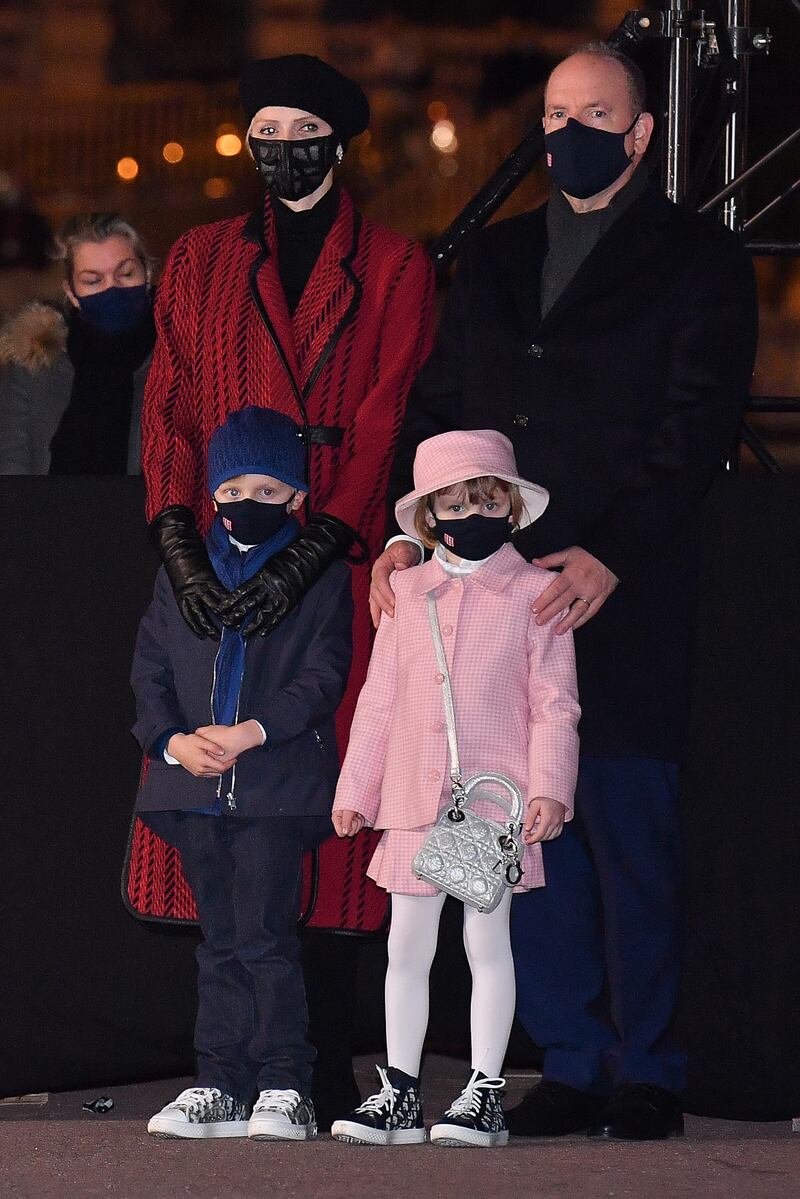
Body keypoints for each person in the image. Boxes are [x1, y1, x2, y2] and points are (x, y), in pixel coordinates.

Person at [371, 44, 759, 1140]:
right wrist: (407, 532)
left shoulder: (697, 260)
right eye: (551, 111)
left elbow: (694, 426)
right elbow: (439, 407)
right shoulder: (490, 261)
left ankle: (647, 1066)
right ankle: (568, 1058)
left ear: (639, 135)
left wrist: (609, 549)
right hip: (489, 600)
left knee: (628, 835)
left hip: (616, 595)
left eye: (593, 113)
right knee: (513, 843)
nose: (567, 130)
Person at [330, 429, 579, 1148]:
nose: (473, 511)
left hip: (494, 801)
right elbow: (378, 698)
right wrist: (358, 788)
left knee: (485, 941)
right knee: (405, 945)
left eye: (487, 497)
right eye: (456, 501)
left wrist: (551, 786)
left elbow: (554, 702)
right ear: (430, 515)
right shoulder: (406, 590)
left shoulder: (536, 591)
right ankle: (400, 1091)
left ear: (510, 505)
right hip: (412, 794)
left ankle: (483, 1092)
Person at [131, 406, 353, 1140]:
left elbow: (323, 677)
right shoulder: (182, 574)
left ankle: (285, 1081)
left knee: (265, 939)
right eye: (230, 488)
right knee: (219, 940)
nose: (244, 501)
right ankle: (219, 1080)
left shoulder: (315, 578)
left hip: (275, 792)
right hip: (195, 792)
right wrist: (171, 742)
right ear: (211, 494)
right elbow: (151, 669)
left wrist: (254, 731)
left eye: (266, 486)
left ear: (296, 496)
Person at [0, 212, 155, 474]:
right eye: (93, 280)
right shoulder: (35, 364)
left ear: (147, 274)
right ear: (71, 293)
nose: (112, 288)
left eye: (126, 273)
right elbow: (11, 475)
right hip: (52, 514)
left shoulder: (180, 358)